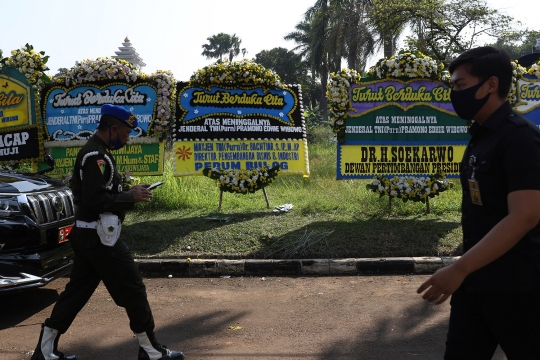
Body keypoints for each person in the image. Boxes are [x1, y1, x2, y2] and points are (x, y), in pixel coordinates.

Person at [31, 104, 185, 360]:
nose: (127, 138)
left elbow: (101, 193)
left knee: (76, 292)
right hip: (98, 238)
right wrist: (129, 196)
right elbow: (94, 199)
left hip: (91, 236)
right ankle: (150, 351)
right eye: (126, 132)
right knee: (133, 288)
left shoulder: (98, 152)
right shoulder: (95, 156)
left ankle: (45, 350)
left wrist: (129, 193)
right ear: (113, 129)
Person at [417, 46, 540, 359]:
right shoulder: (481, 137)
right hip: (476, 286)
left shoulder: (520, 138)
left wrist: (459, 268)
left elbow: (524, 216)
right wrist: (466, 272)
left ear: (491, 84)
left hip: (518, 290)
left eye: (460, 85)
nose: (455, 93)